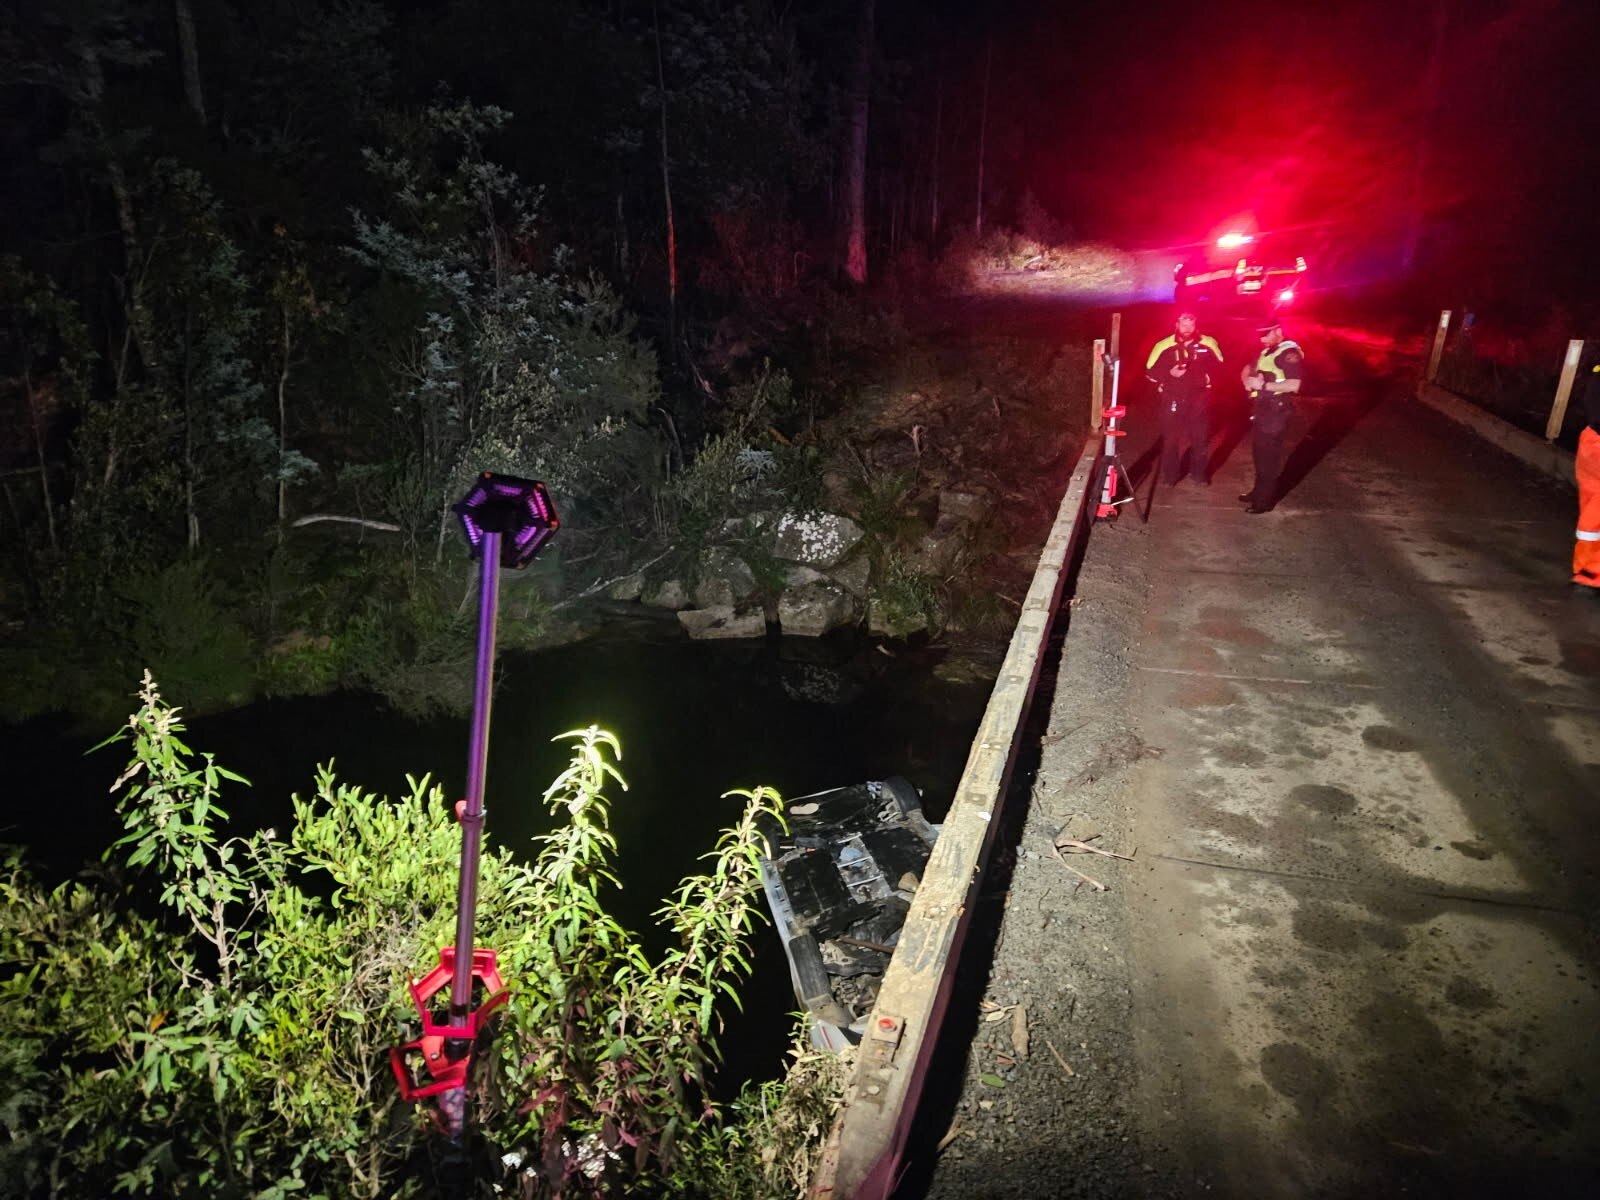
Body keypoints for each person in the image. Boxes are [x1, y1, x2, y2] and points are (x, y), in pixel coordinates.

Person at [1144, 311, 1224, 485]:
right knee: (1170, 440)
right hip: (1172, 397)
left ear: (1196, 325)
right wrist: (1168, 374)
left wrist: (1207, 379)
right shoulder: (1163, 345)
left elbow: (1221, 368)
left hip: (1199, 398)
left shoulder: (1208, 343)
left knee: (1200, 439)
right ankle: (1170, 477)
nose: (1187, 328)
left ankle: (1199, 475)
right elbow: (1150, 372)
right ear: (1176, 324)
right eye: (1183, 324)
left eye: (1191, 324)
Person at [1238, 317, 1305, 513]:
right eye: (1259, 336)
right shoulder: (1267, 351)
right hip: (1263, 409)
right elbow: (1247, 369)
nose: (1262, 340)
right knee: (1259, 454)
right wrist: (1247, 382)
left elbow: (1294, 384)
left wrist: (1264, 386)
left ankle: (1264, 502)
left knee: (1269, 458)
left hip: (1277, 411)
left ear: (1278, 331)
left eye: (1265, 335)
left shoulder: (1289, 354)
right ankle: (1258, 492)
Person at [1574, 356, 1600, 592]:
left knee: (1593, 503)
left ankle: (1587, 569)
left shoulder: (1597, 373)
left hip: (1591, 441)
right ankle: (1590, 571)